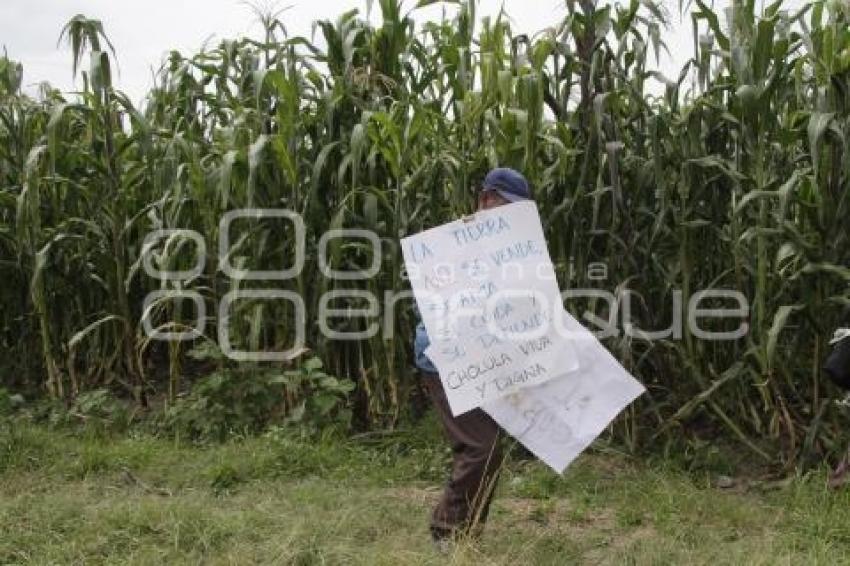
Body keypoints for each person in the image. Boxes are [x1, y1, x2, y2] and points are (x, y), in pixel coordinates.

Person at [413, 167, 532, 547]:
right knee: (482, 446)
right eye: (506, 206)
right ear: (485, 199)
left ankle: (466, 535)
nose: (511, 217)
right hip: (444, 358)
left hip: (481, 358)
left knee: (489, 448)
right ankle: (445, 531)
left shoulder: (508, 248)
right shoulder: (451, 243)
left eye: (519, 210)